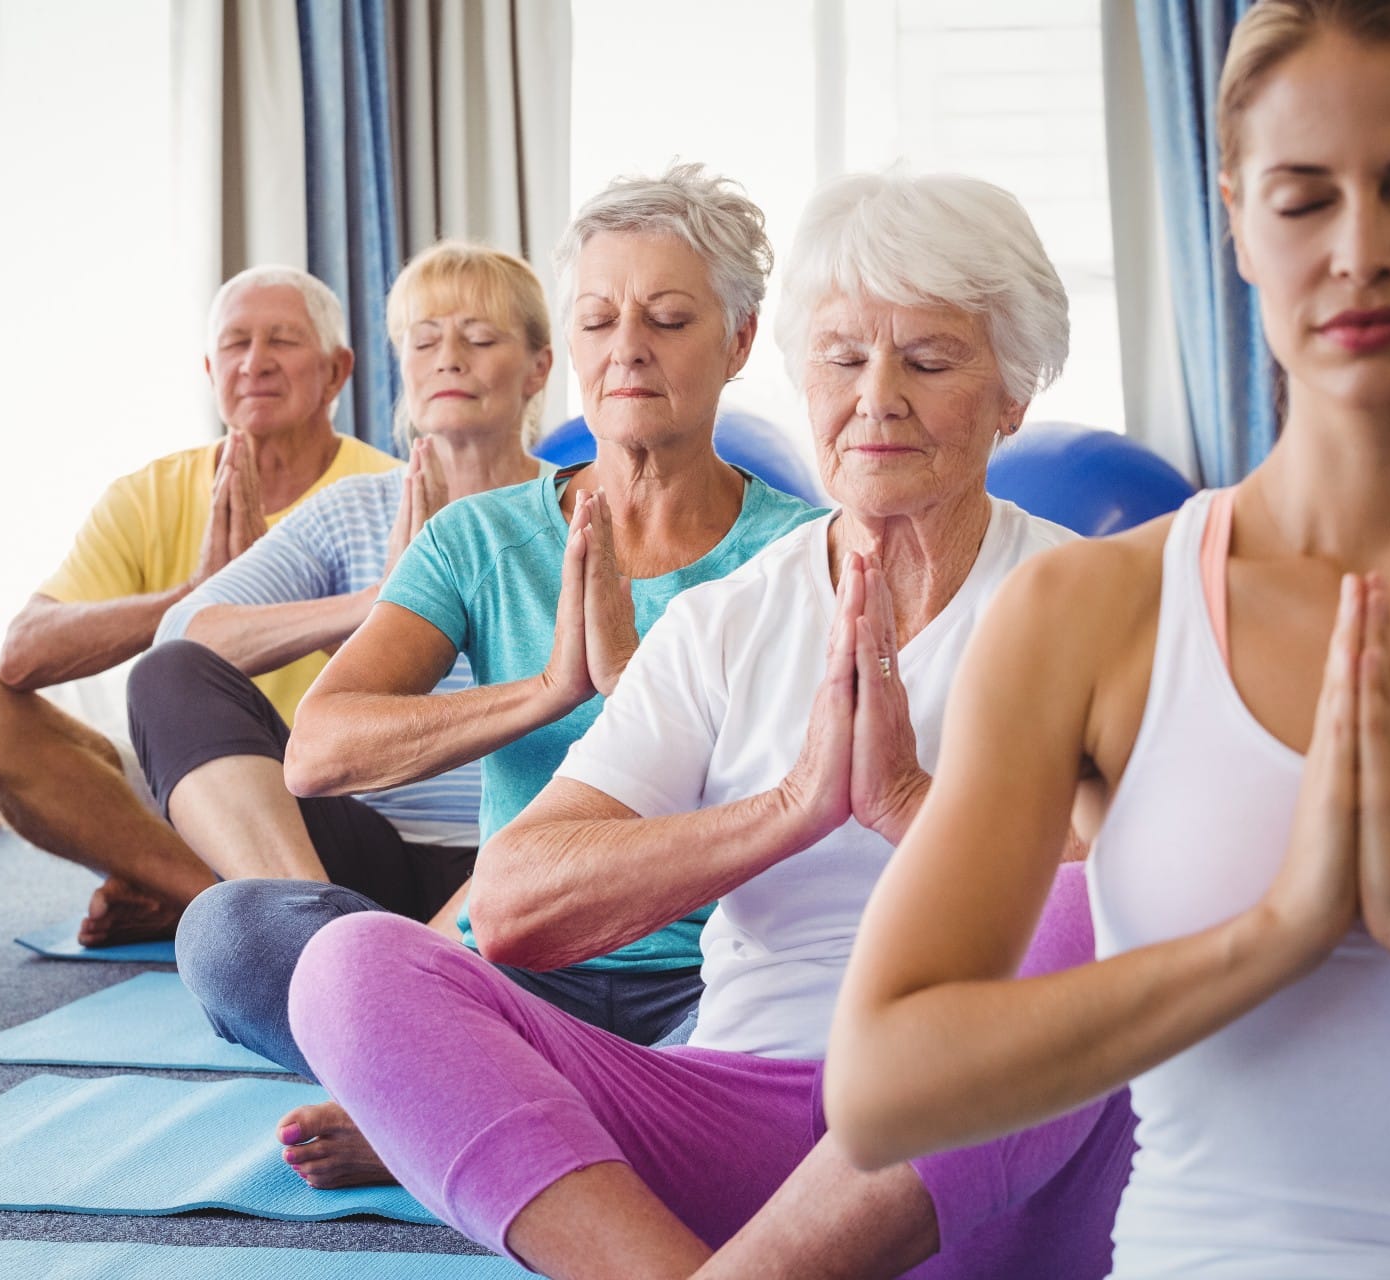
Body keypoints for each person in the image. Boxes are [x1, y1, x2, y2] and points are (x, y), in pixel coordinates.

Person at [284, 170, 1136, 1279]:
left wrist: (907, 806)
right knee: (348, 967)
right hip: (746, 1115)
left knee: (1092, 905)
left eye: (928, 360)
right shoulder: (729, 620)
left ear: (1013, 395)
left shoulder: (1102, 604)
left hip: (992, 1140)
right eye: (841, 357)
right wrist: (787, 810)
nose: (875, 397)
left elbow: (1155, 902)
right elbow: (514, 908)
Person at [826, 2, 1390, 1276]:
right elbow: (880, 1087)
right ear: (1239, 222)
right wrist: (1271, 937)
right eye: (1304, 199)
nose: (1362, 249)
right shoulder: (1092, 612)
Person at [176, 163, 823, 1184]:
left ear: (738, 342)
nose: (629, 349)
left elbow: (816, 794)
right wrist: (548, 688)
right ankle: (556, 1101)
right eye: (601, 319)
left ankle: (460, 1102)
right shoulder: (482, 537)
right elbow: (319, 750)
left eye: (667, 317)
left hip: (716, 981)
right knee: (231, 934)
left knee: (829, 1035)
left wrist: (633, 689)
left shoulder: (805, 553)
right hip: (514, 971)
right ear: (569, 345)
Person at [129, 243, 556, 1066]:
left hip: (524, 859)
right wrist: (376, 604)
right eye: (425, 340)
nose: (449, 360)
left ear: (538, 368)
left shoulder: (579, 510)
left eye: (479, 337)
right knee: (168, 680)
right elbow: (184, 634)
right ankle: (323, 947)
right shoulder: (354, 511)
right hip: (369, 867)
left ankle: (384, 1022)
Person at [0, 267, 395, 946]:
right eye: (236, 344)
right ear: (211, 369)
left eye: (283, 341)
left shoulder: (385, 491)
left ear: (336, 372)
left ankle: (224, 894)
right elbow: (22, 652)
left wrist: (273, 598)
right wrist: (196, 596)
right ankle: (203, 894)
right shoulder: (147, 493)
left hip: (332, 793)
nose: (255, 362)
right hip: (187, 780)